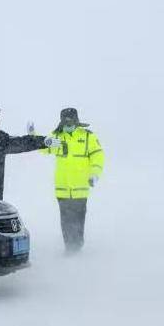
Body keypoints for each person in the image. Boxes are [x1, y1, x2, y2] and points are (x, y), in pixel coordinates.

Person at [33, 108, 104, 253]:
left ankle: (77, 248)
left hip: (80, 188)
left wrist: (94, 174)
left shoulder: (87, 136)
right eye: (65, 121)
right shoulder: (57, 136)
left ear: (76, 121)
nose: (68, 124)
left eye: (70, 121)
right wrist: (33, 136)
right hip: (62, 188)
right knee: (65, 222)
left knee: (78, 220)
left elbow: (98, 156)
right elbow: (44, 147)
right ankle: (69, 249)